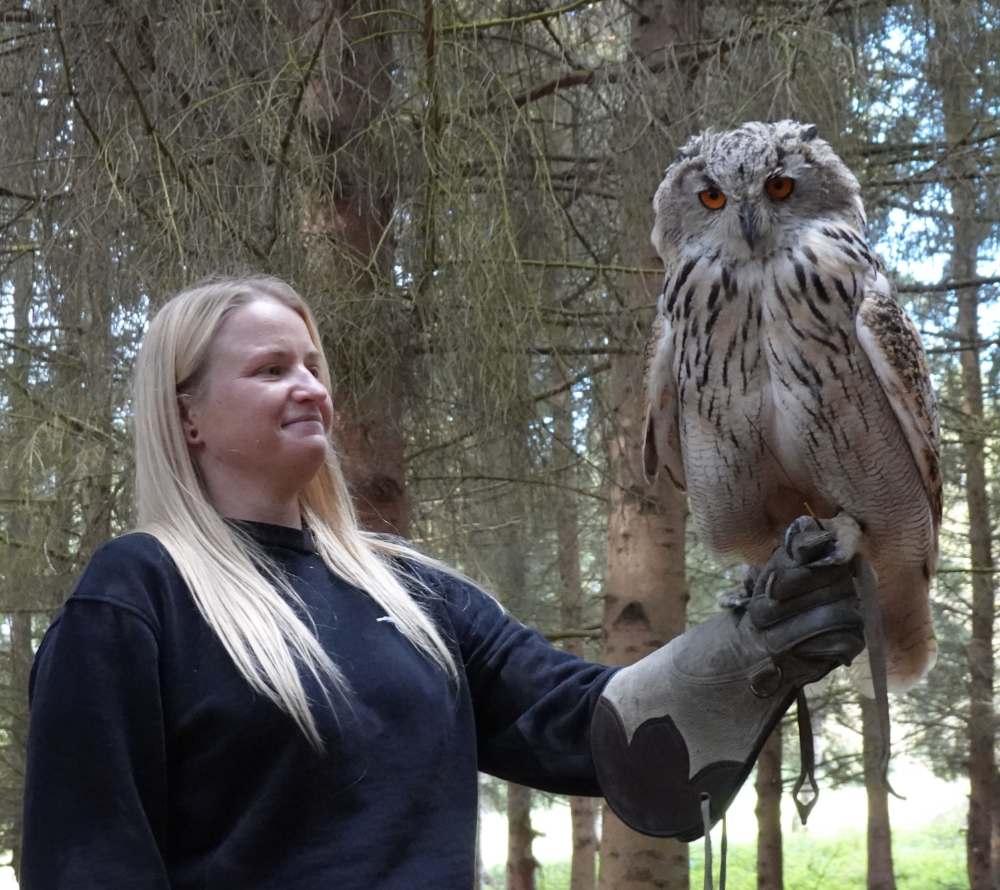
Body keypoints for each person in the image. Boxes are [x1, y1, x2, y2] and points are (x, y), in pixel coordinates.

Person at [21, 276, 865, 889]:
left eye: (314, 365)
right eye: (271, 369)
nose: (311, 386)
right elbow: (89, 861)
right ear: (187, 418)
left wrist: (750, 648)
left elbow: (587, 725)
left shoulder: (411, 594)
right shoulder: (137, 595)